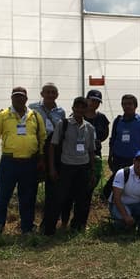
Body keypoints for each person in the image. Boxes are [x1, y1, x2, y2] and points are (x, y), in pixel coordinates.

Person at [0, 86, 46, 234]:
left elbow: (42, 138)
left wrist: (42, 159)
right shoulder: (3, 116)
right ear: (12, 98)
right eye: (16, 96)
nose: (19, 98)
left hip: (29, 164)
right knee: (2, 198)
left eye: (22, 96)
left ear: (26, 98)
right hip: (9, 163)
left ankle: (27, 228)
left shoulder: (35, 116)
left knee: (28, 198)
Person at [45, 97, 96, 235]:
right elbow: (52, 146)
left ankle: (78, 227)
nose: (79, 110)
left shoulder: (89, 128)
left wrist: (92, 171)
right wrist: (52, 168)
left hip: (83, 168)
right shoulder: (63, 124)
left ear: (86, 110)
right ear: (73, 108)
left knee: (82, 199)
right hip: (66, 167)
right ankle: (49, 229)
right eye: (77, 107)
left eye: (82, 108)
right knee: (59, 198)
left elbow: (91, 151)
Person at [59, 88, 109, 229]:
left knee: (86, 193)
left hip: (92, 158)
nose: (94, 103)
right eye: (92, 100)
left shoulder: (102, 119)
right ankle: (64, 222)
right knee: (69, 193)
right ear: (87, 100)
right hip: (71, 160)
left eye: (97, 101)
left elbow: (104, 134)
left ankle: (80, 223)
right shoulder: (74, 117)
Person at [29, 83, 66, 233]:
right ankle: (28, 224)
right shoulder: (32, 108)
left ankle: (48, 223)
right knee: (30, 189)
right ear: (42, 94)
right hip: (36, 149)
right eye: (48, 92)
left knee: (53, 190)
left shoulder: (61, 112)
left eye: (53, 92)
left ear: (57, 95)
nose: (50, 95)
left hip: (54, 151)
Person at [108, 94, 140, 173]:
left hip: (134, 161)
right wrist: (110, 157)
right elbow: (113, 140)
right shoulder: (117, 121)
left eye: (130, 104)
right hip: (118, 160)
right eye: (124, 104)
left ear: (135, 106)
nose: (127, 106)